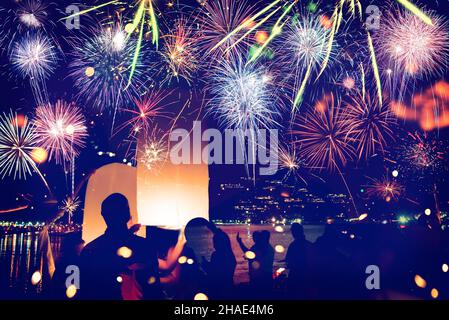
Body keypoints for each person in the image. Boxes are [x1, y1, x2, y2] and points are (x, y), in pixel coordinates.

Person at [80, 193, 163, 300]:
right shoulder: (145, 247)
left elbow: (84, 291)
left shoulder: (90, 250)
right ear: (127, 214)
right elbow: (154, 290)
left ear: (103, 215)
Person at [236, 230, 274, 297]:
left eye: (260, 237)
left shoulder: (261, 248)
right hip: (262, 275)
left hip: (260, 277)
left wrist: (240, 243)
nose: (255, 239)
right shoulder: (264, 247)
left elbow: (251, 254)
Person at [202, 229, 236, 299]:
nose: (213, 243)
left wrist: (204, 263)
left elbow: (212, 272)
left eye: (214, 241)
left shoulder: (216, 255)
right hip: (229, 287)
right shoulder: (230, 255)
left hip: (218, 288)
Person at [50, 232, 84, 299]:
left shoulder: (62, 262)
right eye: (81, 246)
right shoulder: (75, 263)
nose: (82, 248)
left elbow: (54, 283)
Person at [285, 223, 311, 299]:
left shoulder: (293, 245)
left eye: (292, 231)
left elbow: (288, 262)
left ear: (294, 232)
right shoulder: (308, 244)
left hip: (295, 276)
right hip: (307, 277)